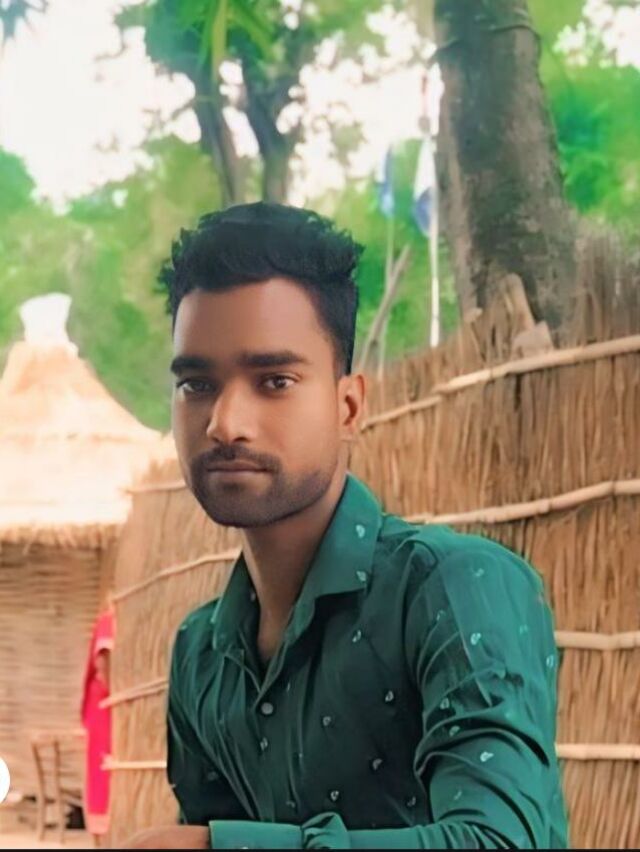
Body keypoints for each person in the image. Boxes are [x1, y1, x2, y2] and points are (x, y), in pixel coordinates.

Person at [121, 203, 569, 849]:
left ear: (348, 405)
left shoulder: (453, 587)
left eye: (274, 380)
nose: (224, 423)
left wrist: (220, 847)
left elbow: (499, 842)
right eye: (197, 384)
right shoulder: (202, 652)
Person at [81, 600, 115, 847]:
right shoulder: (109, 621)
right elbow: (103, 662)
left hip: (106, 702)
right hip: (104, 704)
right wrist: (116, 691)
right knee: (101, 770)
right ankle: (101, 838)